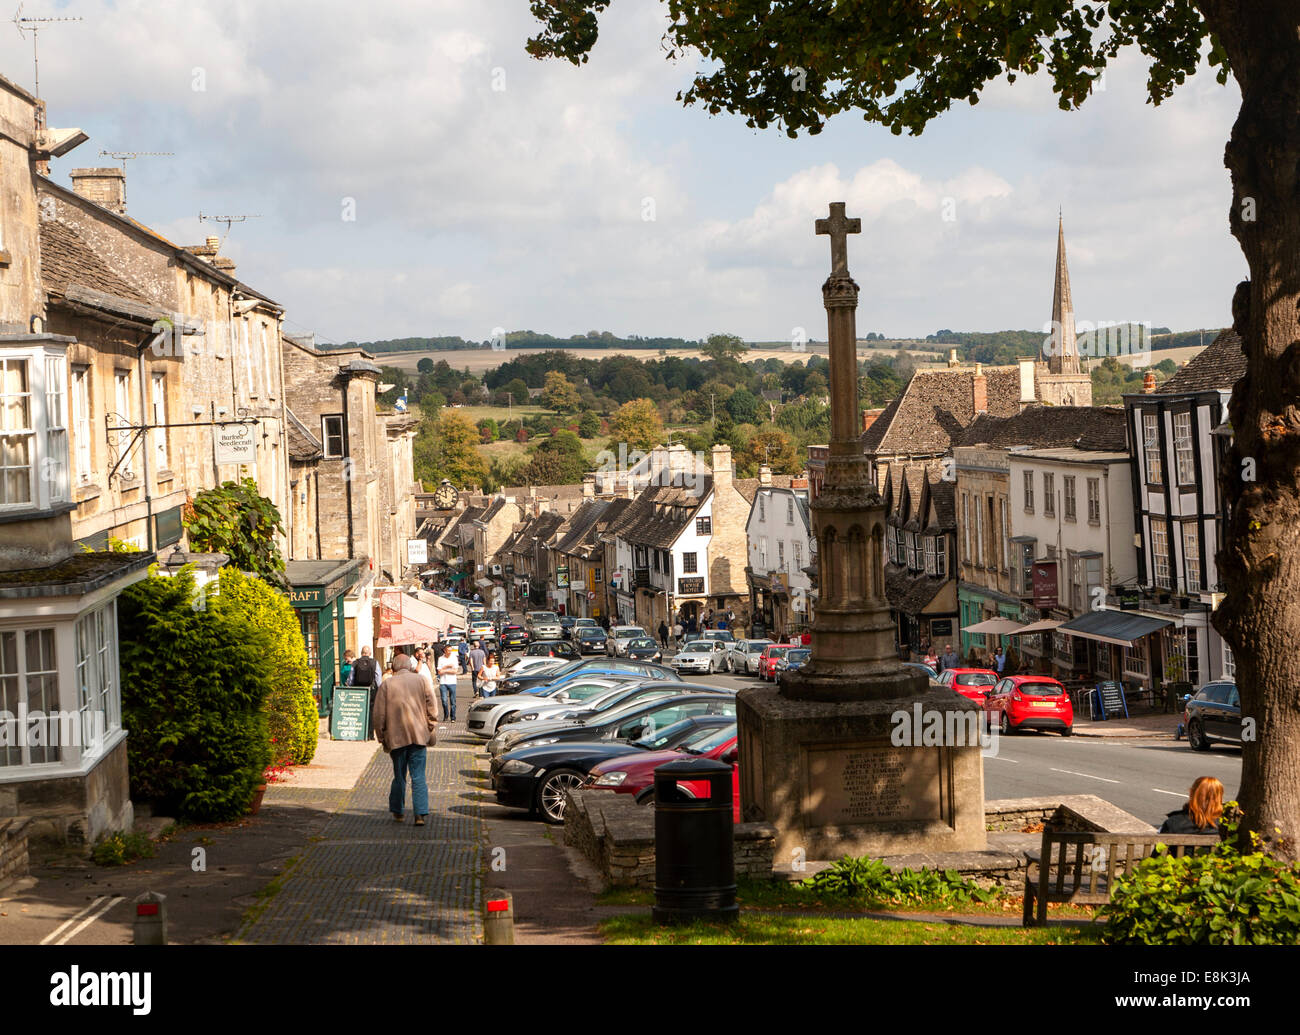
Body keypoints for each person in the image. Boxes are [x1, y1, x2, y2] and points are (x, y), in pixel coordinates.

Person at [371, 652, 440, 825]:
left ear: (394, 667)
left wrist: (381, 736)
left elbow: (378, 714)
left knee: (399, 776)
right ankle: (420, 814)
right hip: (418, 735)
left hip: (396, 737)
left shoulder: (387, 685)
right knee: (418, 776)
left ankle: (398, 811)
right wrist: (430, 725)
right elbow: (432, 705)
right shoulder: (421, 680)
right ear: (409, 666)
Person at [1159, 776, 1226, 834]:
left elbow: (1160, 848)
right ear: (1220, 797)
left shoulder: (1173, 823)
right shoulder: (1226, 825)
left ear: (1191, 793)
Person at [436, 644, 460, 722]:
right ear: (445, 651)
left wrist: (444, 670)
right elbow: (439, 672)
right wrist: (448, 666)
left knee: (453, 701)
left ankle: (453, 717)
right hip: (443, 682)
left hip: (452, 682)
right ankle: (446, 714)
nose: (450, 652)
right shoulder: (440, 659)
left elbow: (455, 671)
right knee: (444, 700)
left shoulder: (454, 658)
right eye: (448, 650)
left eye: (451, 650)